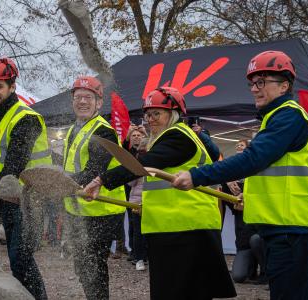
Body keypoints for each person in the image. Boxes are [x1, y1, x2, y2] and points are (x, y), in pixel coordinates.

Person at [172, 51, 308, 300]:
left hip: (293, 226)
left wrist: (196, 175)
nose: (254, 89)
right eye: (252, 83)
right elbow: (270, 173)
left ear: (285, 85)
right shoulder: (278, 118)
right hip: (290, 225)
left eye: (262, 82)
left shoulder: (288, 116)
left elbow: (253, 160)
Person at [85, 87, 236, 299]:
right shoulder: (173, 137)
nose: (150, 119)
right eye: (147, 114)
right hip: (177, 226)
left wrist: (102, 179)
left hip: (185, 228)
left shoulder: (178, 136)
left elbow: (143, 164)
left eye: (157, 113)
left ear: (173, 113)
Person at [0, 58, 51, 299]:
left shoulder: (26, 118)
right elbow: (0, 163)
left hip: (29, 199)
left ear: (12, 87)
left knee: (21, 260)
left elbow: (14, 167)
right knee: (18, 262)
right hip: (10, 198)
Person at [58, 76, 126, 299]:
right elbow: (70, 165)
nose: (82, 102)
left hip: (101, 211)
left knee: (94, 266)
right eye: (78, 97)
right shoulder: (73, 130)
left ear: (99, 102)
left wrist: (58, 184)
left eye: (88, 97)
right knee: (83, 266)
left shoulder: (103, 131)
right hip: (78, 209)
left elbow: (92, 171)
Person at [224, 139, 266, 284]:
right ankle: (251, 268)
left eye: (242, 146)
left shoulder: (260, 171)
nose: (238, 148)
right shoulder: (234, 174)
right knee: (239, 276)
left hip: (259, 232)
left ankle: (266, 271)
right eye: (237, 146)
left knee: (256, 241)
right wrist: (228, 181)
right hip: (243, 237)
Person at [125, 126, 148, 271]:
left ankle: (142, 255)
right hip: (133, 196)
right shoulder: (129, 153)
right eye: (134, 135)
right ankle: (136, 254)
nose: (137, 137)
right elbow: (129, 180)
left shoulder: (153, 155)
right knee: (135, 227)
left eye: (139, 135)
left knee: (144, 229)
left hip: (148, 197)